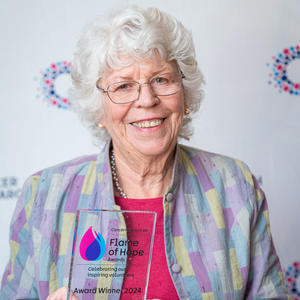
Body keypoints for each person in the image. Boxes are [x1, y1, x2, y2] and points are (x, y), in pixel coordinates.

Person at [0, 6, 289, 300]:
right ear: (98, 107)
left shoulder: (234, 186)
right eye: (124, 86)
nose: (147, 99)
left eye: (161, 80)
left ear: (184, 92)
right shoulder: (45, 196)